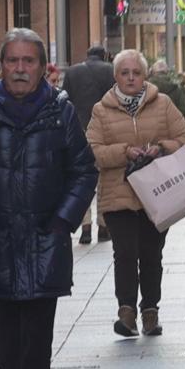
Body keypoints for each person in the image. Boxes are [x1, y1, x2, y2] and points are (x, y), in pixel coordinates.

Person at [0, 28, 98, 369]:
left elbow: (84, 171)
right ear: (1, 65)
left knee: (37, 337)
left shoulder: (59, 111)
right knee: (3, 336)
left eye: (27, 61)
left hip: (44, 243)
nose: (18, 69)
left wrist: (62, 222)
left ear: (42, 67)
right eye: (12, 61)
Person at [87, 50, 185, 337]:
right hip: (118, 193)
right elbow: (93, 151)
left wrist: (161, 146)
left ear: (144, 75)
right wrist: (124, 152)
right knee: (124, 253)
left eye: (136, 72)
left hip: (157, 194)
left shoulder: (163, 103)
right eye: (125, 72)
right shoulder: (102, 109)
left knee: (151, 253)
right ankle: (126, 312)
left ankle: (150, 311)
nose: (131, 77)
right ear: (116, 76)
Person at [63, 46, 116, 244]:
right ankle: (103, 227)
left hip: (78, 131)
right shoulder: (110, 70)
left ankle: (84, 228)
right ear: (104, 55)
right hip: (104, 131)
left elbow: (65, 101)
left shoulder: (72, 72)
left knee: (82, 178)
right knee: (103, 179)